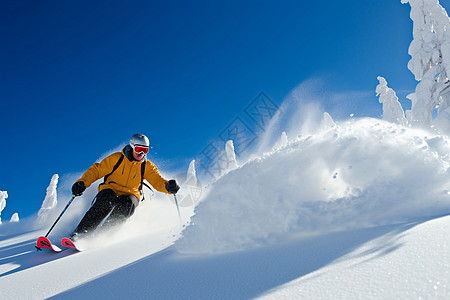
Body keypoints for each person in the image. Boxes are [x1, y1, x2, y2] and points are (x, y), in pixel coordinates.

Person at [70, 133, 180, 240]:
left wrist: (168, 186)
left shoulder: (147, 166)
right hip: (111, 189)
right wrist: (82, 183)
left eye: (145, 150)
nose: (141, 153)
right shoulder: (117, 158)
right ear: (132, 147)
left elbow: (157, 180)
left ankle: (103, 236)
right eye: (138, 149)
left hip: (131, 193)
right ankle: (80, 234)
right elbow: (97, 171)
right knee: (106, 200)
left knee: (129, 204)